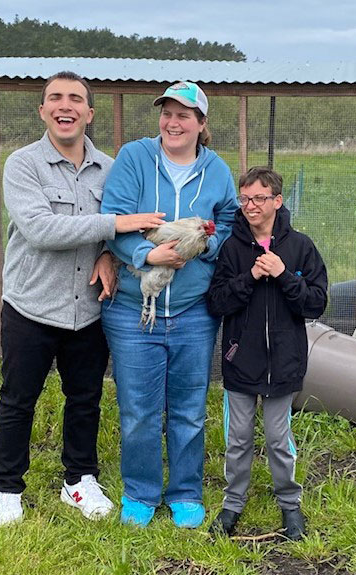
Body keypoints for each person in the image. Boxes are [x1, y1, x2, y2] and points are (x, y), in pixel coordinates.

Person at [0, 71, 165, 526]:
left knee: (84, 398)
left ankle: (79, 481)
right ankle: (6, 487)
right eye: (54, 99)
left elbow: (123, 231)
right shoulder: (23, 164)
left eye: (75, 99)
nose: (64, 106)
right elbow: (42, 229)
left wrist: (108, 253)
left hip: (88, 308)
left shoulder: (110, 169)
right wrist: (114, 228)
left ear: (90, 112)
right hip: (32, 305)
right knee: (17, 399)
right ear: (43, 110)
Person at [100, 81, 238, 528]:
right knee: (138, 408)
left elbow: (231, 221)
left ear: (201, 124)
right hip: (131, 307)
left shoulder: (216, 170)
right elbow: (114, 217)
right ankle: (140, 492)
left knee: (188, 407)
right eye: (167, 113)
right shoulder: (135, 158)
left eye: (184, 115)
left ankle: (185, 492)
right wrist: (145, 255)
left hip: (193, 310)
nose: (173, 122)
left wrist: (203, 248)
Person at [206, 166, 327, 540]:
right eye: (244, 199)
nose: (250, 206)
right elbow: (217, 301)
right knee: (239, 437)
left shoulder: (300, 247)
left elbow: (316, 303)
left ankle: (290, 506)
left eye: (259, 198)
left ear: (277, 200)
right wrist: (251, 277)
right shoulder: (232, 248)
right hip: (241, 362)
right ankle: (232, 505)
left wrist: (283, 274)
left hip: (285, 364)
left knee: (278, 438)